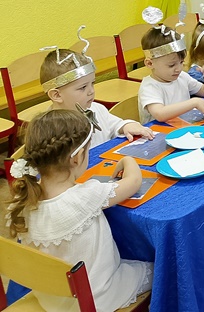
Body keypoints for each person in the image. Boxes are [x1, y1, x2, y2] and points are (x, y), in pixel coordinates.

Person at [7, 108, 153, 311]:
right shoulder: (85, 196)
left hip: (52, 300)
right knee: (161, 269)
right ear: (76, 158)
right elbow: (134, 181)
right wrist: (128, 160)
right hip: (97, 298)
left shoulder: (23, 199)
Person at [39, 40, 154, 147]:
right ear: (57, 95)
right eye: (83, 87)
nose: (91, 91)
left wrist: (126, 126)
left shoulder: (97, 109)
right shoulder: (50, 129)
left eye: (92, 83)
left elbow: (114, 125)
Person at [137, 11, 204, 123]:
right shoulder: (150, 87)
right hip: (159, 132)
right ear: (150, 63)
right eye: (171, 65)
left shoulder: (182, 76)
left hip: (183, 126)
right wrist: (194, 102)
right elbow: (160, 114)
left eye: (181, 62)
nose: (179, 68)